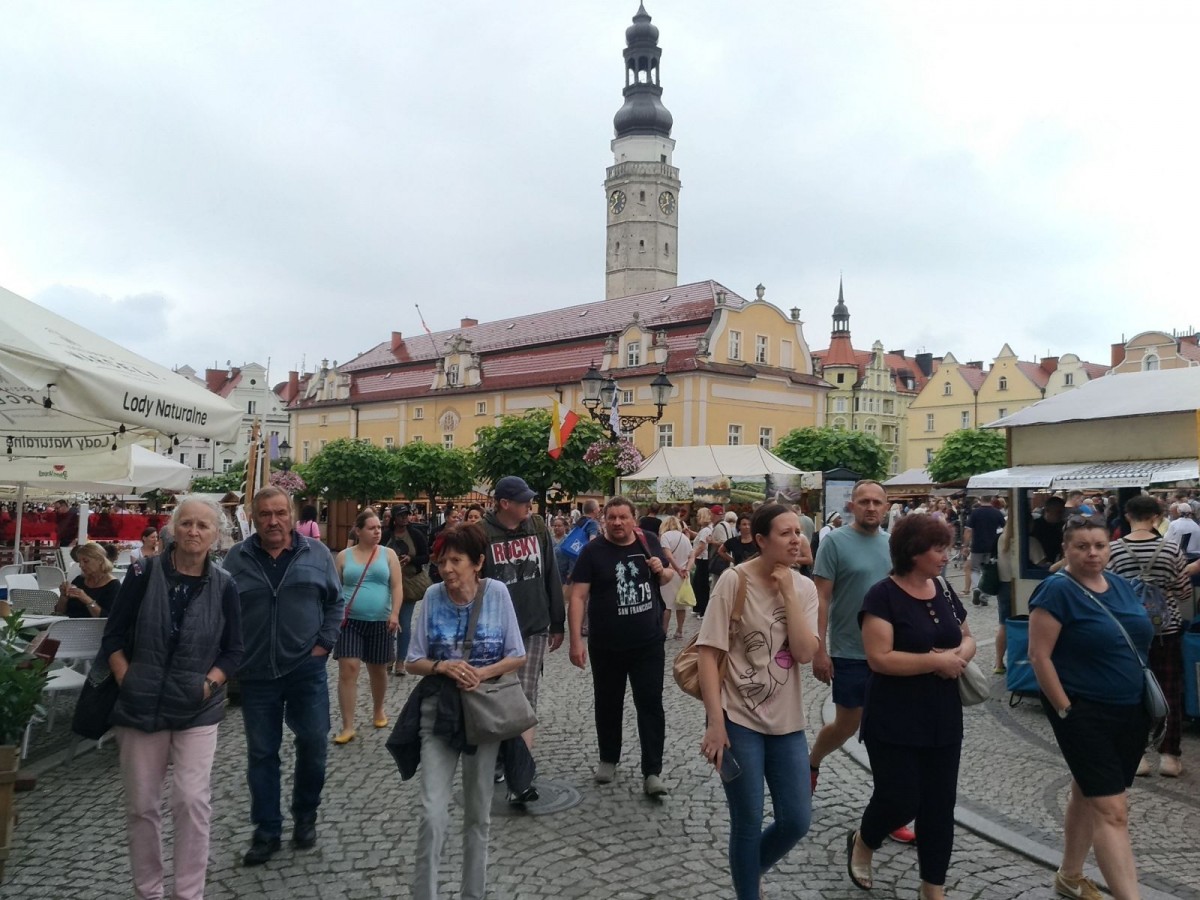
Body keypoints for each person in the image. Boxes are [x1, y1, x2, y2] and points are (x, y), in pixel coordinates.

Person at [101, 496, 243, 900]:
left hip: (197, 708)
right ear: (172, 529)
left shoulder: (225, 584)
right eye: (187, 524)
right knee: (142, 807)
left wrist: (208, 685)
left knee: (191, 801)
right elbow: (113, 635)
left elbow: (235, 650)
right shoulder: (143, 573)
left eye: (203, 525)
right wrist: (126, 677)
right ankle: (148, 891)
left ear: (216, 535)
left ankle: (188, 894)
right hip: (140, 703)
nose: (194, 532)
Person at [847, 515, 975, 900]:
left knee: (939, 804)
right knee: (900, 798)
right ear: (913, 552)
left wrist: (958, 656)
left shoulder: (943, 588)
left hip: (943, 715)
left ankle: (932, 888)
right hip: (895, 716)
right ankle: (865, 841)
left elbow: (967, 638)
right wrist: (936, 662)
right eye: (938, 548)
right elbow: (879, 658)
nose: (945, 555)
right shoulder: (881, 596)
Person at [697, 504, 820, 900]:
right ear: (762, 540)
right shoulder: (734, 581)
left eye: (797, 532)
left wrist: (787, 589)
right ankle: (748, 890)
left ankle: (750, 869)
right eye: (784, 533)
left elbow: (803, 652)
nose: (795, 539)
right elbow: (707, 653)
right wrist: (715, 723)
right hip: (737, 719)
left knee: (797, 820)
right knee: (747, 822)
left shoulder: (804, 588)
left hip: (788, 723)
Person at [1028, 515, 1153, 900]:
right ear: (1066, 549)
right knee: (1113, 811)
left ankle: (1069, 875)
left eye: (1099, 545)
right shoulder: (1055, 591)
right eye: (1081, 546)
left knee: (1088, 791)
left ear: (1109, 547)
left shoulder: (1118, 584)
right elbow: (1039, 657)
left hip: (1131, 709)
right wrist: (1066, 710)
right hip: (1084, 712)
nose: (1092, 553)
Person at [399, 523, 526, 900]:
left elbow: (517, 655)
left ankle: (474, 894)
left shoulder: (498, 594)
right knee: (433, 814)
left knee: (477, 814)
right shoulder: (433, 597)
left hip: (483, 714)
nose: (447, 568)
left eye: (456, 560)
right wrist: (442, 667)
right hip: (438, 712)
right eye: (442, 561)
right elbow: (413, 660)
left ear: (478, 563)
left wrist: (480, 673)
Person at [222, 486, 343, 866]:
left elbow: (335, 603)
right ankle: (267, 830)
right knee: (262, 754)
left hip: (305, 668)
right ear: (253, 518)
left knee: (314, 744)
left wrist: (324, 643)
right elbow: (222, 611)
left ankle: (305, 815)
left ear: (291, 516)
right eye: (265, 515)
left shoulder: (317, 554)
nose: (273, 521)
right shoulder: (236, 558)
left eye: (280, 513)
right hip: (256, 673)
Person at [809, 481, 915, 843]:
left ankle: (889, 811)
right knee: (846, 725)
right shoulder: (834, 542)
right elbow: (821, 597)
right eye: (864, 501)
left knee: (889, 735)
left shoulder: (894, 545)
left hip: (889, 653)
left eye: (877, 502)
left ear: (887, 507)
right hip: (849, 651)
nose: (871, 507)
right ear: (852, 505)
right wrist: (819, 648)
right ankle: (812, 762)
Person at [569, 497, 674, 796]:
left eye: (623, 517)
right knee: (607, 702)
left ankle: (652, 771)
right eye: (611, 517)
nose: (617, 522)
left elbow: (667, 576)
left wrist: (660, 569)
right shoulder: (592, 552)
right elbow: (577, 597)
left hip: (648, 643)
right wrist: (576, 640)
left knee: (650, 704)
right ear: (603, 519)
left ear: (633, 519)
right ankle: (608, 758)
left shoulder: (649, 541)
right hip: (606, 645)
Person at [479, 475, 564, 756]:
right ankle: (498, 754)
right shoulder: (481, 533)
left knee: (525, 694)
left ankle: (520, 761)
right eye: (523, 500)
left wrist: (557, 621)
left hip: (533, 626)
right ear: (504, 503)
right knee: (496, 694)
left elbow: (551, 573)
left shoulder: (537, 527)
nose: (530, 504)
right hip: (494, 631)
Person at [1106, 495, 1188, 778]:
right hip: (1166, 630)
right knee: (1169, 690)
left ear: (1127, 516)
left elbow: (1105, 590)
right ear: (1157, 517)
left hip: (1126, 632)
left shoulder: (1114, 550)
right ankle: (1169, 756)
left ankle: (1136, 755)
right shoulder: (1170, 549)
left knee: (1131, 691)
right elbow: (1183, 592)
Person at [332, 510, 404, 743]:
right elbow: (334, 590)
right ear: (358, 530)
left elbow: (396, 586)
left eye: (379, 528)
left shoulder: (388, 554)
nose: (377, 532)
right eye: (372, 528)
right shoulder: (343, 556)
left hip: (380, 621)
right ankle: (348, 725)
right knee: (348, 669)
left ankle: (378, 709)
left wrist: (394, 613)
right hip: (350, 621)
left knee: (378, 669)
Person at [385, 504, 431, 674]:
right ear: (394, 518)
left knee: (404, 623)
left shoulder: (416, 535)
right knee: (388, 623)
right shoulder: (386, 536)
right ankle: (388, 657)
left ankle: (400, 661)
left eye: (406, 515)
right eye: (401, 515)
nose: (405, 518)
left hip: (409, 585)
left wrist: (411, 559)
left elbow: (425, 557)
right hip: (387, 585)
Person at [56, 541, 121, 618]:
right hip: (69, 626)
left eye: (86, 561)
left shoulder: (113, 585)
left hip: (92, 628)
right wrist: (63, 596)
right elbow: (59, 612)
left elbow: (107, 618)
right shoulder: (79, 580)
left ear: (100, 560)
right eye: (79, 562)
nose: (81, 565)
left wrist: (86, 599)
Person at [963, 496, 1005, 605]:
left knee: (975, 569)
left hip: (977, 546)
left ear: (981, 499)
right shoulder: (997, 513)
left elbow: (968, 530)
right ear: (991, 500)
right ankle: (984, 595)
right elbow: (1005, 529)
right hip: (992, 547)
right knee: (989, 572)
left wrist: (965, 546)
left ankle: (977, 588)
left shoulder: (975, 513)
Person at [658, 515, 694, 640]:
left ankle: (664, 631)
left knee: (667, 605)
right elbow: (692, 556)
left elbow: (668, 556)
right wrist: (687, 569)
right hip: (684, 575)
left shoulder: (665, 537)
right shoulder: (684, 537)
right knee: (681, 604)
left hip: (670, 572)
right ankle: (679, 631)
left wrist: (677, 569)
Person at [993, 513, 1016, 674]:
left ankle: (999, 662)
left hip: (1003, 582)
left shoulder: (1001, 538)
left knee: (1003, 624)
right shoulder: (1026, 539)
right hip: (1016, 583)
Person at [1030, 496, 1067, 569]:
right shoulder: (1036, 526)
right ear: (1047, 510)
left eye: (1062, 512)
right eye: (1058, 512)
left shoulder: (1063, 526)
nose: (1061, 515)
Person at [691, 507, 714, 617]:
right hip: (702, 559)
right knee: (698, 584)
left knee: (701, 585)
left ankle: (703, 609)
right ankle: (699, 607)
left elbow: (701, 546)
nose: (697, 517)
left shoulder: (705, 530)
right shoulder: (705, 529)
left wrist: (691, 557)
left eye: (698, 515)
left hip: (702, 559)